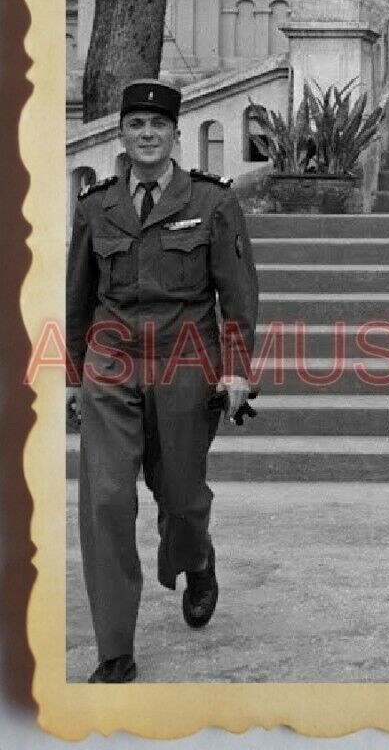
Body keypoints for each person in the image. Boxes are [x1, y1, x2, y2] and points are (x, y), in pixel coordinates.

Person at [67, 79, 259, 683]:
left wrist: (235, 368)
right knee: (105, 500)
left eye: (157, 125)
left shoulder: (213, 201)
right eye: (135, 125)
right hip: (112, 361)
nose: (146, 134)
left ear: (176, 134)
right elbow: (78, 298)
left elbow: (238, 294)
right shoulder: (96, 206)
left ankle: (195, 558)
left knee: (180, 497)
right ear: (120, 135)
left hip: (185, 361)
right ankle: (115, 651)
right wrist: (75, 376)